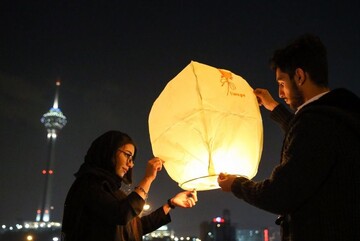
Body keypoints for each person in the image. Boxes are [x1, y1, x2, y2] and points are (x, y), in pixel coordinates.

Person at [218, 34, 360, 241]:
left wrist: (236, 185)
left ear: (300, 76)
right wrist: (274, 108)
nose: (281, 92)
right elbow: (313, 142)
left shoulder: (315, 124)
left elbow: (279, 194)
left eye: (282, 83)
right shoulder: (342, 113)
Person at [61, 130, 198, 241]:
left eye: (132, 159)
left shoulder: (113, 191)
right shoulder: (88, 185)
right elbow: (121, 214)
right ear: (109, 152)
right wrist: (148, 178)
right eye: (127, 155)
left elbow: (136, 227)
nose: (131, 164)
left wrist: (170, 204)